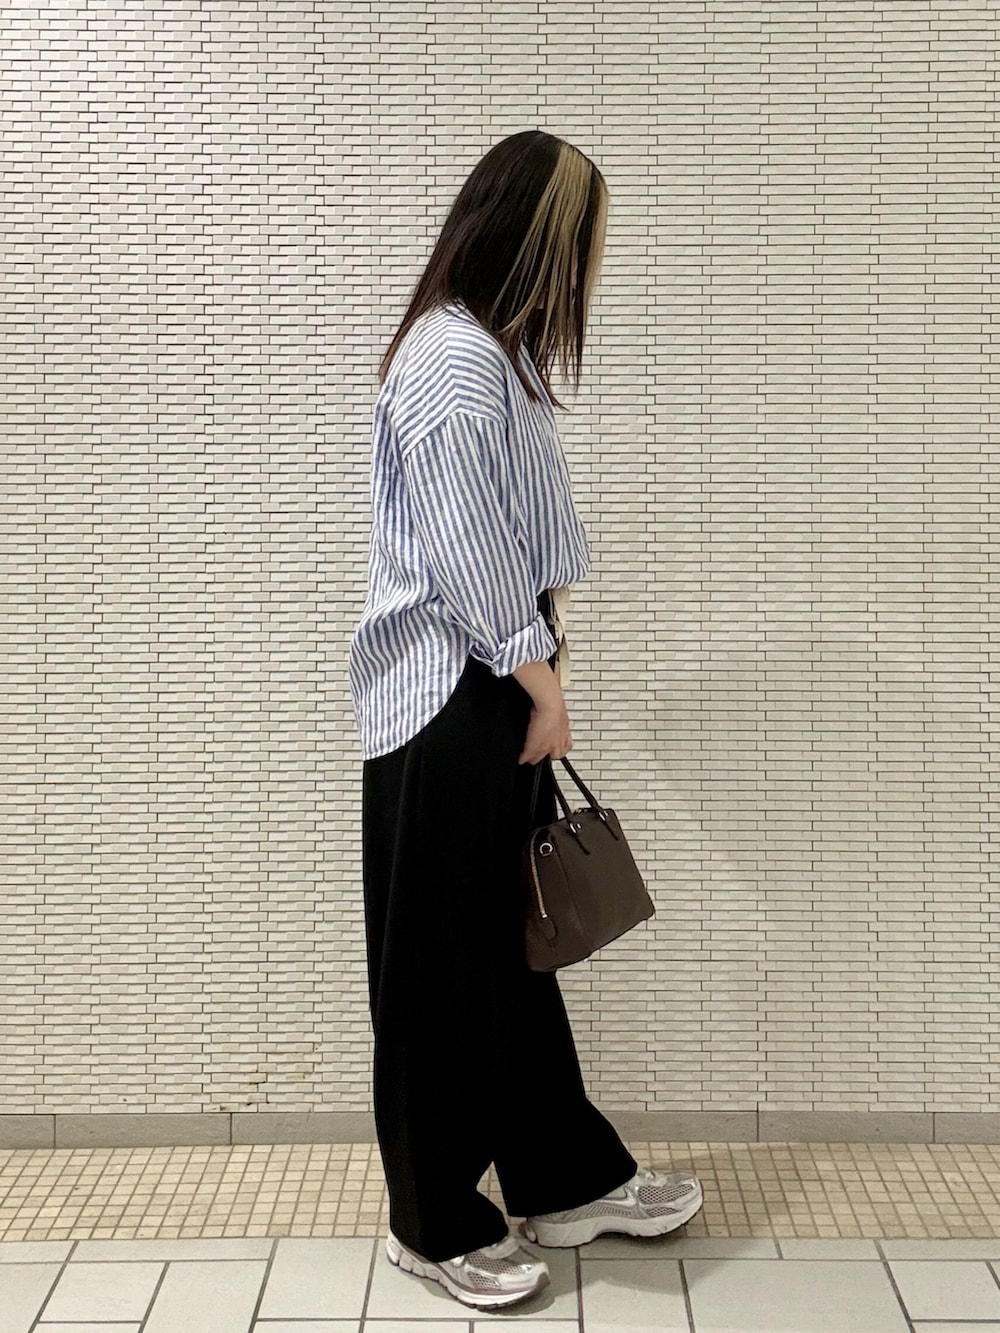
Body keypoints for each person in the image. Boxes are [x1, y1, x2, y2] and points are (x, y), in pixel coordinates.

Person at [348, 129, 703, 1313]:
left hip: (485, 681)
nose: (582, 271)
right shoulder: (454, 357)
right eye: (576, 245)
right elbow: (463, 542)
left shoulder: (485, 353)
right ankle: (432, 1221)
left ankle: (562, 1176)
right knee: (441, 969)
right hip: (451, 690)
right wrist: (535, 672)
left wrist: (533, 666)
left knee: (507, 947)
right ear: (527, 236)